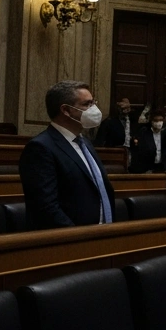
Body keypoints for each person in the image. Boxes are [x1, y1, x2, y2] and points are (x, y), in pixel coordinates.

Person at [19, 80, 117, 230]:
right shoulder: (40, 148)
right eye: (87, 104)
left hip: (99, 235)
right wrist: (76, 236)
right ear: (66, 110)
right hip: (70, 241)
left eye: (93, 102)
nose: (94, 109)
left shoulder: (85, 143)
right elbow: (45, 206)